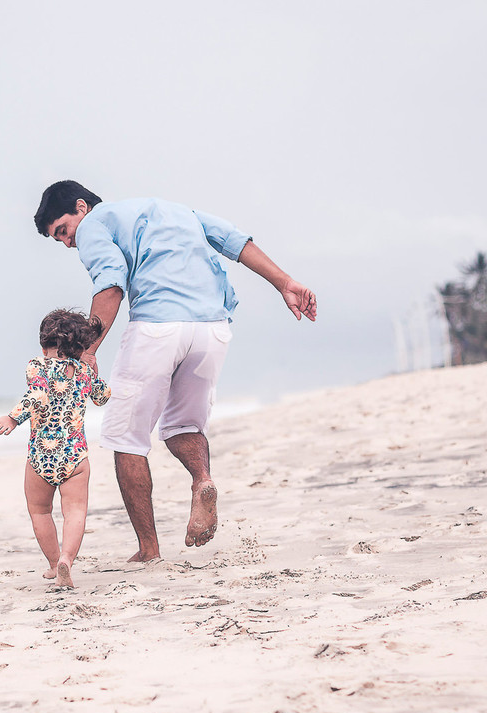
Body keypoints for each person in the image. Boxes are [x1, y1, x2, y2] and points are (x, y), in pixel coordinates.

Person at [33, 180, 317, 562]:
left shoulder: (94, 225)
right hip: (212, 328)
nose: (68, 242)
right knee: (184, 425)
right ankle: (203, 481)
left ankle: (149, 550)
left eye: (63, 230)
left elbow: (111, 284)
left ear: (81, 207)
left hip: (158, 327)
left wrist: (87, 350)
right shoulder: (178, 211)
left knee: (125, 438)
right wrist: (285, 283)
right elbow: (235, 242)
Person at [0, 309, 111, 588]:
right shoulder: (83, 371)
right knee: (76, 511)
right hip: (75, 456)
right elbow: (103, 397)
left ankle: (53, 562)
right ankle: (67, 559)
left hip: (41, 457)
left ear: (45, 345)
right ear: (79, 347)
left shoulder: (37, 366)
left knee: (40, 512)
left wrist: (13, 418)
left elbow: (37, 394)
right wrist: (93, 372)